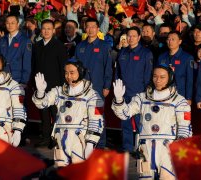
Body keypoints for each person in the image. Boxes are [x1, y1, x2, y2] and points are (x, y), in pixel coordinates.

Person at [112, 65, 192, 179]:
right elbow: (125, 114)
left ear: (170, 78)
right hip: (146, 148)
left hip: (168, 149)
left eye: (162, 77)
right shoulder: (142, 98)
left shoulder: (179, 101)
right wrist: (119, 100)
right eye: (155, 76)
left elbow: (185, 127)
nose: (158, 80)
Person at [32, 59, 104, 167]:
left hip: (80, 140)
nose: (68, 76)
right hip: (61, 139)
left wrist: (90, 143)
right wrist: (40, 92)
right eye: (66, 73)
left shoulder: (92, 95)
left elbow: (96, 121)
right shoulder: (59, 91)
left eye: (72, 73)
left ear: (81, 72)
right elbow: (42, 104)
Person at [74, 18, 112, 148]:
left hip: (98, 86)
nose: (90, 29)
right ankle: (83, 141)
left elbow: (108, 67)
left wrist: (107, 86)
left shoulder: (104, 46)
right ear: (85, 28)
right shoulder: (80, 46)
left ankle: (100, 144)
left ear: (97, 29)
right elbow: (75, 67)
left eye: (93, 27)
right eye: (88, 27)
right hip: (82, 87)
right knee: (83, 114)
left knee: (98, 115)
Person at [115, 26, 153, 153]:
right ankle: (127, 147)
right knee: (125, 121)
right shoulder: (123, 52)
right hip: (124, 93)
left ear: (139, 37)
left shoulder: (146, 53)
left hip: (139, 93)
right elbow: (117, 72)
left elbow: (148, 74)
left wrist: (147, 92)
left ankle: (142, 148)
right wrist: (117, 89)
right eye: (128, 36)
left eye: (134, 36)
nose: (131, 38)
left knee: (140, 123)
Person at [32, 19, 68, 147]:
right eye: (44, 28)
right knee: (43, 112)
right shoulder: (37, 45)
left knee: (56, 113)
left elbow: (63, 67)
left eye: (49, 29)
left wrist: (63, 86)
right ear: (40, 30)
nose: (46, 31)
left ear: (54, 30)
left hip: (55, 86)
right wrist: (33, 83)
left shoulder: (59, 46)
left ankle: (57, 138)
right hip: (40, 85)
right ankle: (46, 137)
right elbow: (34, 65)